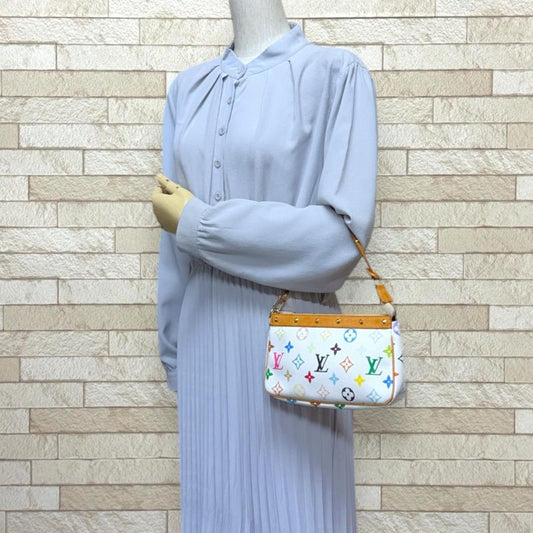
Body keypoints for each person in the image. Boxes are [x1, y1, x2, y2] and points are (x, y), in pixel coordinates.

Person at [151, 13, 378, 533]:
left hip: (299, 348)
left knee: (301, 512)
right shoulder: (188, 91)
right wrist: (174, 353)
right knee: (216, 512)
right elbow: (173, 245)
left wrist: (201, 224)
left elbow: (337, 241)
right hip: (205, 344)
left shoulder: (336, 75)